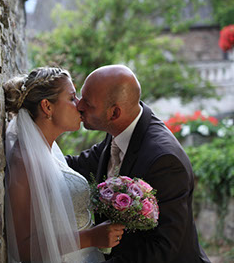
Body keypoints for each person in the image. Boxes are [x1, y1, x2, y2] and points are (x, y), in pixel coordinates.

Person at [66, 65, 211, 262]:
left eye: (88, 104)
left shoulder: (165, 161)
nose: (79, 106)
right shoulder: (121, 131)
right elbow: (78, 166)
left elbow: (163, 248)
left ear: (114, 113)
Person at [3, 67, 125, 263]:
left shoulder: (47, 151)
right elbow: (24, 247)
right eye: (71, 98)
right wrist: (91, 237)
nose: (79, 106)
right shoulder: (24, 160)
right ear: (47, 107)